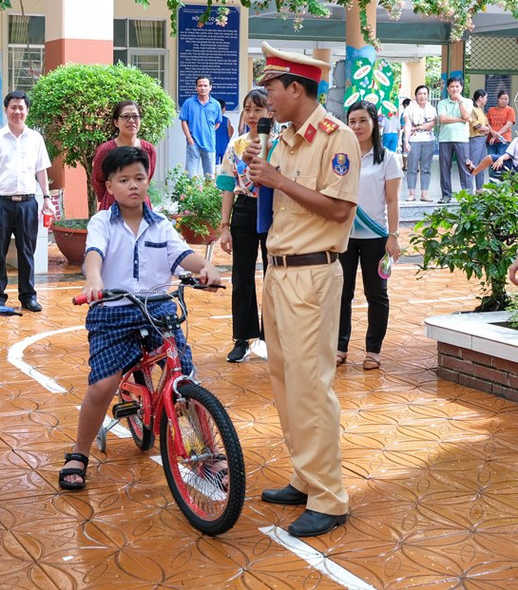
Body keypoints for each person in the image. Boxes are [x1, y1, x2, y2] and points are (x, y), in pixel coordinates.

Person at [242, 42, 360, 538]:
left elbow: (338, 211)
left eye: (272, 88)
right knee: (285, 380)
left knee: (313, 386)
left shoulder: (337, 138)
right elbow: (262, 190)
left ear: (297, 87)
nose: (266, 98)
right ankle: (306, 478)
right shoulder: (283, 138)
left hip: (313, 274)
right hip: (278, 271)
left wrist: (277, 181)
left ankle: (330, 498)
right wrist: (255, 168)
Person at [58, 146, 223, 490]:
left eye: (139, 178)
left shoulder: (161, 224)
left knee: (185, 376)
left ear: (148, 181)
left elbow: (183, 254)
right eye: (124, 180)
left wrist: (205, 268)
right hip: (113, 311)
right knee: (103, 385)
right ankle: (79, 452)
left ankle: (208, 449)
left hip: (158, 309)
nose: (133, 185)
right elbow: (94, 254)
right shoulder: (102, 222)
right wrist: (94, 280)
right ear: (109, 187)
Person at [336, 101, 402, 371]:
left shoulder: (388, 158)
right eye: (352, 121)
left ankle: (373, 350)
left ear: (375, 123)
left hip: (376, 236)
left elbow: (392, 201)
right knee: (341, 293)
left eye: (363, 120)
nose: (357, 126)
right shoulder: (340, 157)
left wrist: (394, 235)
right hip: (344, 236)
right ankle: (339, 347)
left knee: (377, 294)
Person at [0, 90, 55, 312]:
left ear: (27, 111)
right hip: (0, 203)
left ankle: (28, 296)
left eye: (21, 108)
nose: (17, 111)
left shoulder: (36, 139)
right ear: (6, 110)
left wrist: (47, 199)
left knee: (26, 251)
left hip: (28, 203)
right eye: (13, 107)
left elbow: (41, 171)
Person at [216, 88, 271, 363]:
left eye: (258, 109)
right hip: (245, 212)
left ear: (269, 112)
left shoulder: (280, 143)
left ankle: (269, 336)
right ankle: (242, 338)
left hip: (274, 213)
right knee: (241, 279)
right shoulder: (235, 144)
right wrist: (224, 227)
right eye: (248, 109)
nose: (252, 115)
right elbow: (227, 185)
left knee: (274, 277)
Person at [91, 100, 156, 211]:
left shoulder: (148, 149)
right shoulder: (105, 150)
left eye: (135, 116)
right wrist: (111, 197)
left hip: (141, 206)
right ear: (116, 122)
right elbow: (98, 181)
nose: (131, 120)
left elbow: (147, 178)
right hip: (113, 205)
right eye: (125, 116)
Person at [436, 76, 472, 203]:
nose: (454, 89)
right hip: (445, 139)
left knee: (465, 167)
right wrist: (460, 120)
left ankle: (467, 196)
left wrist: (460, 101)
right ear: (447, 88)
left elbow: (466, 115)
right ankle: (446, 195)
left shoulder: (468, 102)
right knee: (444, 168)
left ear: (461, 88)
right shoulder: (442, 103)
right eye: (452, 86)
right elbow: (442, 120)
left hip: (462, 139)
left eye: (457, 86)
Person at [179, 76, 222, 177]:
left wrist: (209, 132)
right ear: (196, 88)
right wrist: (189, 138)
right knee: (190, 175)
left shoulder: (215, 104)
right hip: (193, 144)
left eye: (205, 85)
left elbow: (218, 122)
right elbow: (184, 121)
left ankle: (206, 193)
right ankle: (190, 193)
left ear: (210, 87)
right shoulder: (189, 103)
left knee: (209, 176)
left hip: (210, 144)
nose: (203, 88)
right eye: (200, 85)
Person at [403, 86, 437, 202]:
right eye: (420, 94)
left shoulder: (432, 109)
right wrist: (406, 141)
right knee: (412, 168)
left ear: (428, 95)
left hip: (429, 140)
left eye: (425, 94)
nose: (422, 96)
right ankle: (411, 193)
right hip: (414, 140)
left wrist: (416, 127)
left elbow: (432, 124)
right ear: (415, 95)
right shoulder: (409, 109)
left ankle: (424, 194)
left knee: (426, 168)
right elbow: (408, 124)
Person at [487, 90, 516, 177]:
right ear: (498, 99)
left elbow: (508, 125)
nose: (504, 101)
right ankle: (492, 184)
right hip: (491, 141)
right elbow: (487, 123)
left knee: (502, 163)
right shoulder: (491, 110)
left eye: (506, 99)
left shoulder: (510, 110)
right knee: (491, 162)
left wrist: (496, 135)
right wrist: (492, 132)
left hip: (504, 141)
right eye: (502, 99)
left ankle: (501, 187)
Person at [467, 90, 491, 191]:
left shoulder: (480, 110)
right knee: (473, 164)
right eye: (485, 97)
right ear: (480, 98)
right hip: (475, 139)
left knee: (481, 164)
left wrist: (487, 129)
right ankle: (468, 189)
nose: (486, 99)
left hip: (482, 139)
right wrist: (486, 129)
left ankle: (479, 189)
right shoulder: (472, 109)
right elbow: (476, 125)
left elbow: (486, 123)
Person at [214, 99, 234, 165]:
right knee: (225, 166)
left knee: (214, 165)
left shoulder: (212, 119)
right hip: (224, 145)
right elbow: (229, 133)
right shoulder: (226, 120)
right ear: (222, 109)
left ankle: (214, 175)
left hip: (214, 144)